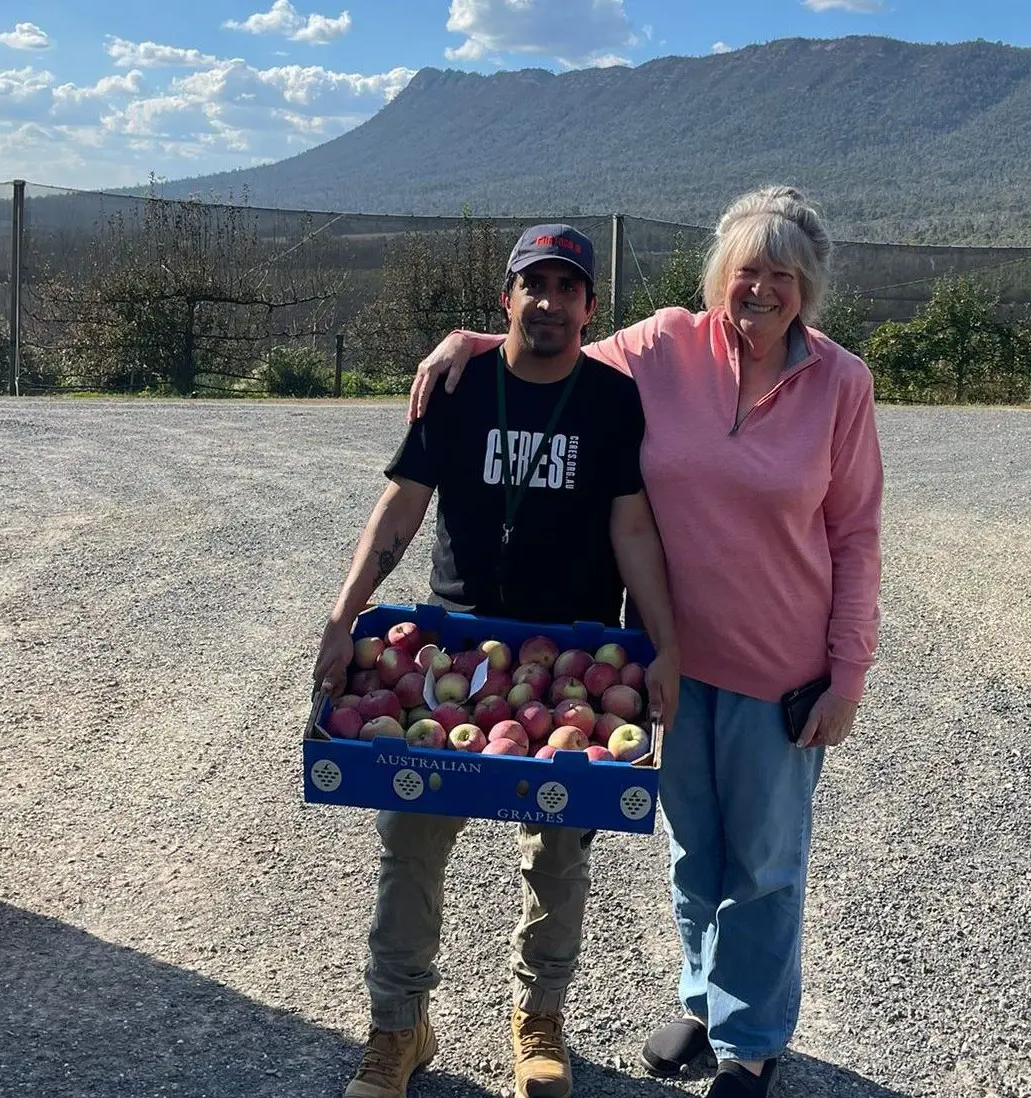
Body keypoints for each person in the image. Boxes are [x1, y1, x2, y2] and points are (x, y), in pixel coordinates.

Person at [407, 186, 883, 1098]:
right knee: (693, 849)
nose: (762, 290)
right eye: (748, 270)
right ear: (720, 277)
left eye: (783, 275)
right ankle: (704, 998)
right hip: (661, 659)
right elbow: (552, 354)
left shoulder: (839, 384)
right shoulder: (667, 344)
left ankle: (751, 1041)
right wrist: (465, 342)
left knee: (765, 861)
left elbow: (856, 533)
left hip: (782, 664)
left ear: (807, 288)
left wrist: (847, 672)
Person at [314, 223, 680, 1098]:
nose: (549, 302)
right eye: (534, 285)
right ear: (505, 299)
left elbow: (632, 528)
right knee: (411, 842)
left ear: (591, 307)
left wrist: (665, 646)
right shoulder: (459, 385)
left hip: (576, 657)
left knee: (559, 850)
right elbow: (400, 508)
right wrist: (343, 616)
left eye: (567, 287)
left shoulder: (611, 401)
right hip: (455, 646)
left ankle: (538, 1019)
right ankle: (398, 1028)